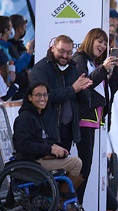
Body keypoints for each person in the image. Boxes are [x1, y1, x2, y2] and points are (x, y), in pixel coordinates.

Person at [72, 28, 118, 211]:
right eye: (99, 41)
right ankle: (74, 206)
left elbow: (109, 90)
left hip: (94, 120)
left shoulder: (94, 63)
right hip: (82, 118)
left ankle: (76, 206)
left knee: (86, 165)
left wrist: (117, 69)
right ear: (90, 40)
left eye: (105, 43)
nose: (102, 46)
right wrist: (103, 68)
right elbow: (83, 85)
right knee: (83, 165)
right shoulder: (80, 60)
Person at [12, 82, 83, 211]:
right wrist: (50, 149)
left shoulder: (37, 115)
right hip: (31, 163)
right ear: (29, 97)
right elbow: (23, 145)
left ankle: (55, 199)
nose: (42, 98)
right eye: (38, 95)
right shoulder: (25, 118)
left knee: (72, 160)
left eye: (45, 95)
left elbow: (39, 140)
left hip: (38, 159)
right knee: (76, 163)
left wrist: (53, 146)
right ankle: (59, 201)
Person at [29, 35, 93, 168]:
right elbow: (45, 96)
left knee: (64, 170)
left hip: (68, 130)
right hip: (48, 131)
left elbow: (84, 100)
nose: (65, 56)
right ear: (53, 48)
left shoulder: (72, 68)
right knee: (52, 173)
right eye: (61, 51)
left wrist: (83, 89)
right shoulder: (41, 69)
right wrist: (73, 89)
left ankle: (63, 190)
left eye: (69, 53)